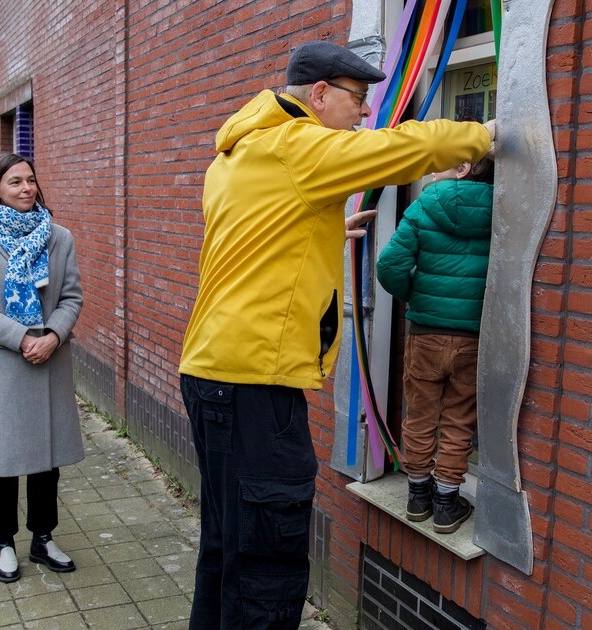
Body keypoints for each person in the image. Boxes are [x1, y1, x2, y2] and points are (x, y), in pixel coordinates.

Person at [177, 40, 494, 628]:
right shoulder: (298, 144)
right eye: (359, 98)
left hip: (213, 375)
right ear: (320, 94)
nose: (365, 111)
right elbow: (401, 149)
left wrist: (321, 225)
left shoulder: (243, 150)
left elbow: (252, 234)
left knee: (226, 549)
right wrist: (484, 135)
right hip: (254, 386)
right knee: (266, 565)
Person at [0, 152, 84, 583]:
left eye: (30, 180)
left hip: (49, 360)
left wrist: (53, 336)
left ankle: (43, 538)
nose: (26, 188)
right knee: (3, 459)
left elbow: (71, 297)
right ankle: (4, 541)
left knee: (47, 459)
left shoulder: (58, 236)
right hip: (5, 362)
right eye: (15, 182)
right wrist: (23, 338)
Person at [375, 156, 495, 535]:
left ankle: (417, 496)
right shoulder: (503, 208)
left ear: (463, 167)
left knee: (421, 414)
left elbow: (389, 266)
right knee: (459, 419)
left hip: (426, 334)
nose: (431, 170)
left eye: (440, 162)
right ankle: (446, 503)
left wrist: (416, 296)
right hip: (473, 336)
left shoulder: (424, 205)